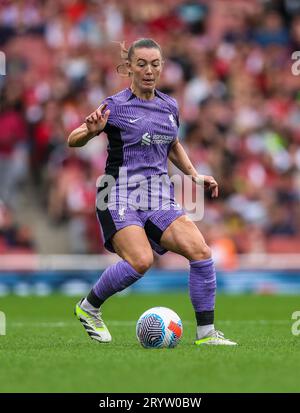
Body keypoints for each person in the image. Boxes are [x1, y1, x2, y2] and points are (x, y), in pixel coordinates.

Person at [68, 38, 237, 346]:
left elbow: (172, 144)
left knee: (201, 253)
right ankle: (89, 307)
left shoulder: (169, 106)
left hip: (158, 196)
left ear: (162, 67)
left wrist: (194, 175)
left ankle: (206, 334)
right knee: (141, 261)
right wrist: (90, 131)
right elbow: (73, 138)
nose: (149, 70)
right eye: (142, 64)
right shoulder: (114, 106)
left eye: (155, 64)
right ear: (129, 67)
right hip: (118, 193)